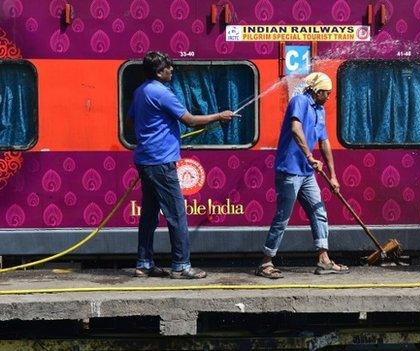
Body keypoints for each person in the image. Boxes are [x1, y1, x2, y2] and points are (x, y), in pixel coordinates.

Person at [128, 51, 235, 279]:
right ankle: (181, 266)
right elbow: (190, 120)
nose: (172, 70)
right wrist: (219, 116)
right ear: (159, 72)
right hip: (161, 161)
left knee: (148, 215)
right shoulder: (163, 93)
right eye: (169, 67)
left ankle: (144, 263)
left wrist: (154, 130)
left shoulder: (140, 91)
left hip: (146, 160)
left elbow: (131, 120)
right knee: (177, 214)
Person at [256, 72, 349, 279]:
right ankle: (266, 262)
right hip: (289, 170)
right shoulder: (299, 101)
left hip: (307, 173)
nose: (329, 96)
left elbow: (324, 142)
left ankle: (324, 259)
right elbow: (295, 128)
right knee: (283, 217)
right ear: (317, 91)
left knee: (319, 211)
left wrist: (333, 176)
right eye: (326, 93)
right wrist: (309, 155)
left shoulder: (320, 109)